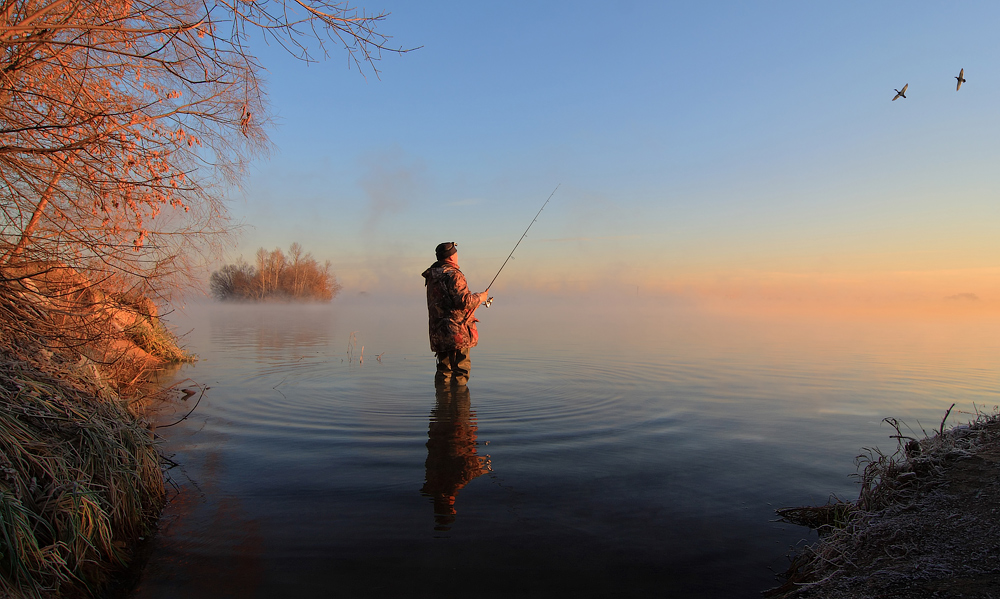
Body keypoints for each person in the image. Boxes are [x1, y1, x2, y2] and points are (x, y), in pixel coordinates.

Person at [422, 242, 489, 386]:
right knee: (461, 371)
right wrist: (481, 297)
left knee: (443, 370)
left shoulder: (432, 275)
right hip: (457, 332)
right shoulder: (454, 275)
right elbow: (464, 301)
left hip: (438, 332)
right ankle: (460, 406)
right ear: (451, 257)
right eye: (456, 253)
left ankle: (442, 404)